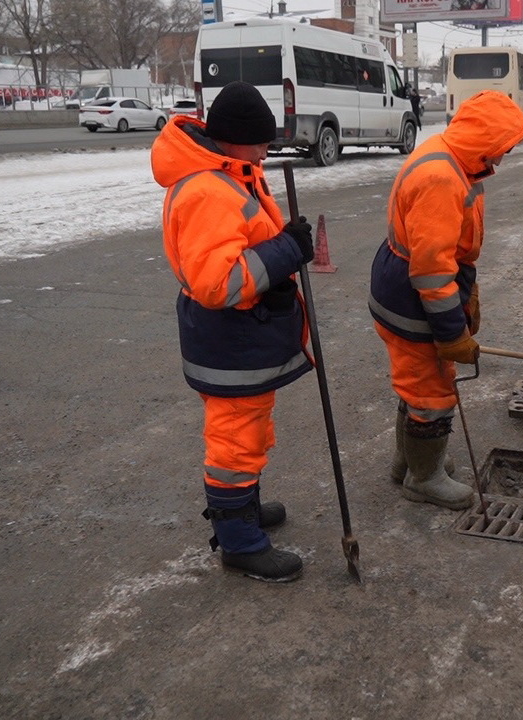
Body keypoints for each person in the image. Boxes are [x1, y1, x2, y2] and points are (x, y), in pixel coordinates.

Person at [151, 81, 316, 582]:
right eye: (261, 143)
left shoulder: (231, 174)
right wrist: (287, 251)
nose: (266, 153)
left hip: (243, 335)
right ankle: (239, 541)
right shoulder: (207, 192)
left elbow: (244, 242)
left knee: (250, 429)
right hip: (231, 336)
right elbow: (218, 284)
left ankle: (245, 507)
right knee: (235, 439)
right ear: (236, 139)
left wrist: (282, 242)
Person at [369, 91, 523, 510]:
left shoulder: (452, 158)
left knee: (416, 381)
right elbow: (431, 271)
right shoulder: (441, 177)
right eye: (504, 147)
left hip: (401, 285)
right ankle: (423, 478)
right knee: (432, 391)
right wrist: (452, 333)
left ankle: (408, 463)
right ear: (485, 140)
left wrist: (466, 290)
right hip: (413, 296)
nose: (505, 157)